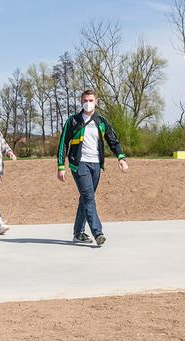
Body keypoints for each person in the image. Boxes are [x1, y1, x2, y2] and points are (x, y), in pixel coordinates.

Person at [56, 89, 128, 247]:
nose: (87, 103)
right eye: (85, 100)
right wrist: (61, 166)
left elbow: (113, 140)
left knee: (85, 198)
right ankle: (98, 232)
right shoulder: (73, 121)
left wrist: (121, 158)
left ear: (96, 101)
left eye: (90, 100)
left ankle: (78, 233)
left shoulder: (101, 121)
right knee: (89, 197)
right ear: (81, 102)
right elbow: (63, 144)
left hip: (96, 164)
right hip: (78, 163)